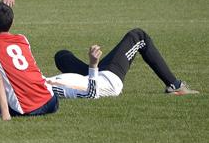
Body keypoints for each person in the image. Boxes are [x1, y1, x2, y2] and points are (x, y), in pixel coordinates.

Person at [48, 29, 198, 99]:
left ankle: (89, 69)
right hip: (107, 80)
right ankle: (175, 85)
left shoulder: (40, 83)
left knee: (62, 56)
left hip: (91, 77)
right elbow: (90, 94)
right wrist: (93, 66)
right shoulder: (52, 90)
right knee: (139, 36)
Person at [0, 2, 58, 120]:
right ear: (12, 22)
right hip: (51, 101)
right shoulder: (22, 38)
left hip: (25, 109)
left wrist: (5, 114)